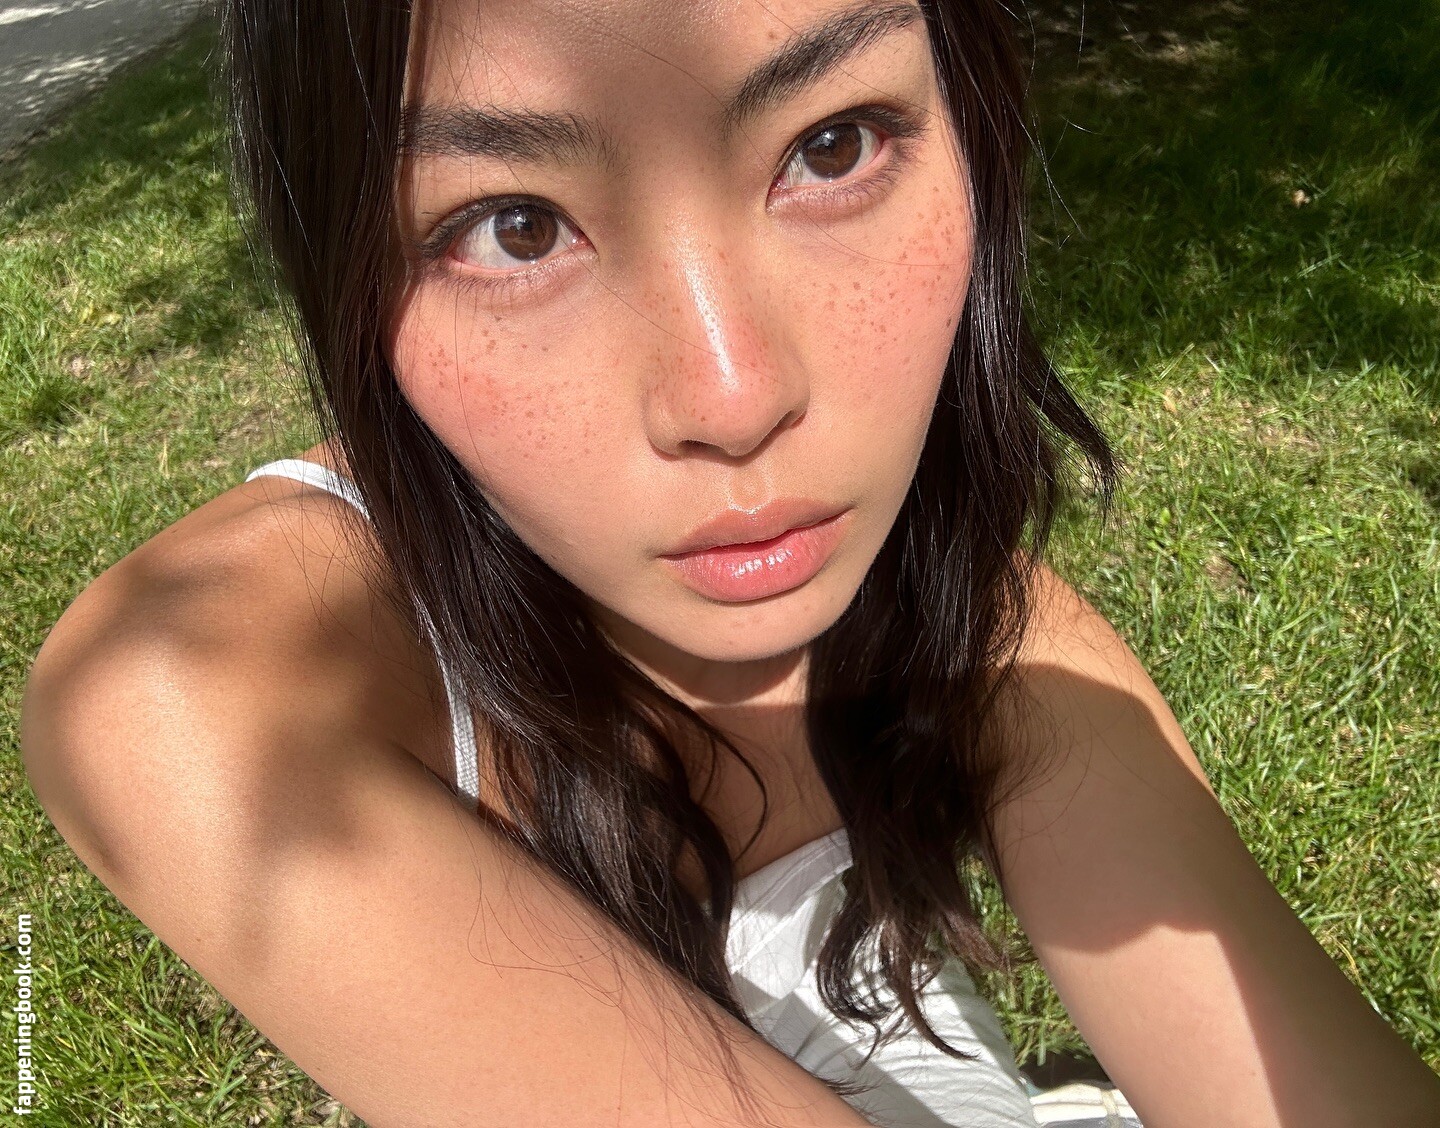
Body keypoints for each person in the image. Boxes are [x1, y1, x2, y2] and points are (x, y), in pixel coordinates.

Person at [18, 1, 1440, 1125]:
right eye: (514, 226)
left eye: (834, 146)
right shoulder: (199, 684)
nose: (733, 396)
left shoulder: (989, 633)